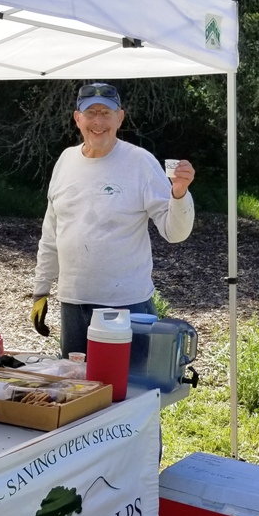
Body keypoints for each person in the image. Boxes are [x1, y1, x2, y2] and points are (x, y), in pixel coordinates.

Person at [30, 82, 195, 356]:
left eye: (106, 113)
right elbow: (51, 234)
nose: (98, 121)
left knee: (129, 392)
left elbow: (174, 232)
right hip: (73, 304)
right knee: (80, 392)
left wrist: (179, 194)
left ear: (120, 117)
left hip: (127, 308)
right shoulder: (65, 160)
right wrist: (41, 291)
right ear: (77, 118)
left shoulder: (140, 163)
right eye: (90, 112)